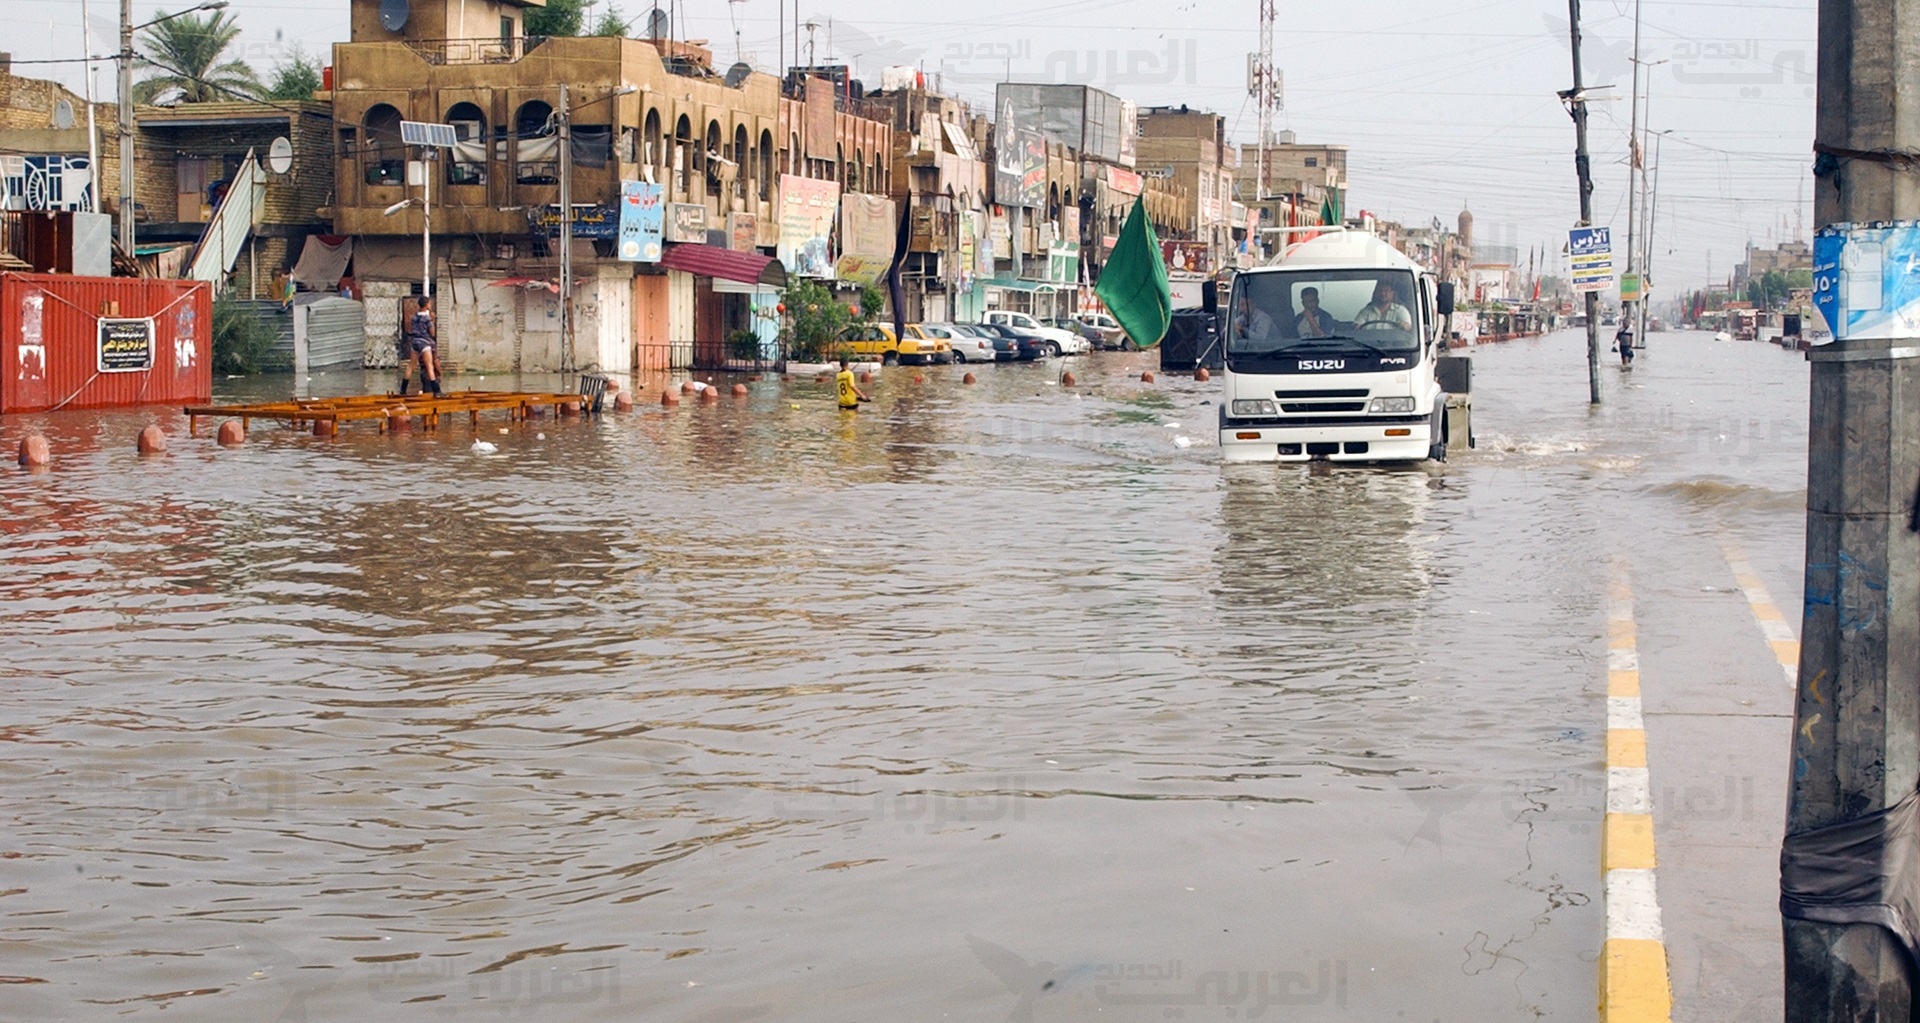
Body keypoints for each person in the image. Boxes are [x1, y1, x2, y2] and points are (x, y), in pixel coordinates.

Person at [406, 306, 442, 396]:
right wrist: (432, 321)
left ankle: (403, 389)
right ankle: (437, 391)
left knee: (411, 366)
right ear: (426, 305)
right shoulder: (427, 319)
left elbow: (410, 328)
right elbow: (432, 333)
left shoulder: (414, 317)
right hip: (424, 342)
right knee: (429, 366)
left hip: (415, 341)